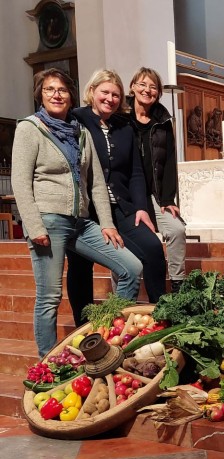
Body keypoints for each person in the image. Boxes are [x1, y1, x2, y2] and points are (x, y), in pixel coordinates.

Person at [11, 68, 142, 356]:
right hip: (48, 220)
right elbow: (20, 181)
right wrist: (34, 227)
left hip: (81, 222)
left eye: (62, 90)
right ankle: (47, 363)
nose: (56, 95)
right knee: (49, 297)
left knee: (131, 268)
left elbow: (95, 182)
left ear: (71, 96)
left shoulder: (80, 132)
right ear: (40, 95)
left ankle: (108, 338)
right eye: (49, 90)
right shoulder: (29, 128)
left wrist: (107, 223)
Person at [67, 69, 167, 325]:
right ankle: (83, 326)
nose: (110, 98)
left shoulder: (124, 126)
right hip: (87, 209)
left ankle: (161, 312)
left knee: (153, 248)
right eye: (105, 92)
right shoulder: (77, 118)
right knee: (80, 266)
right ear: (92, 92)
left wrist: (141, 208)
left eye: (115, 94)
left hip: (122, 206)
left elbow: (134, 171)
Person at [127, 67, 186, 293]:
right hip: (129, 193)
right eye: (142, 84)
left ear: (159, 93)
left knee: (176, 230)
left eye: (153, 87)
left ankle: (178, 283)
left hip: (155, 193)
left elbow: (170, 161)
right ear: (132, 87)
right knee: (130, 238)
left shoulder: (163, 122)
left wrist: (168, 198)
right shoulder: (120, 118)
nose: (147, 90)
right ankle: (124, 295)